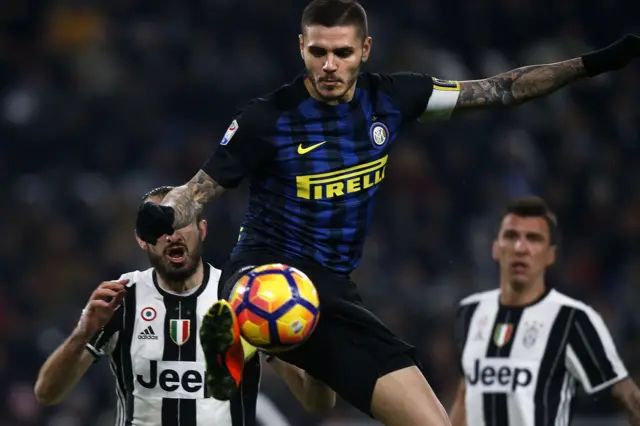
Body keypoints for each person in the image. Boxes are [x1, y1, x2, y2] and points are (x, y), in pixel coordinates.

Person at [132, 0, 640, 423]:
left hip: (333, 285)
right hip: (268, 269)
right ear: (302, 48)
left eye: (342, 53)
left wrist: (592, 64)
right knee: (279, 309)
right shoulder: (268, 119)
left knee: (343, 404)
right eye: (318, 52)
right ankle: (242, 331)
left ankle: (271, 349)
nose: (329, 65)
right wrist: (160, 217)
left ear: (365, 51)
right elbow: (196, 190)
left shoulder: (393, 98)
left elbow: (501, 89)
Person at [34, 186, 335, 426]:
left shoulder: (241, 297)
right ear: (143, 239)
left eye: (181, 222)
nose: (172, 234)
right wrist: (82, 333)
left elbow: (317, 404)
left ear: (201, 229)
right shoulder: (123, 298)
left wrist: (315, 351)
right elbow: (47, 393)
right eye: (160, 226)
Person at [449, 197, 640, 426]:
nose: (521, 248)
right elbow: (465, 396)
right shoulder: (470, 312)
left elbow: (628, 396)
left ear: (551, 255)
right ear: (496, 249)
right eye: (511, 237)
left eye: (534, 239)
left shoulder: (573, 319)